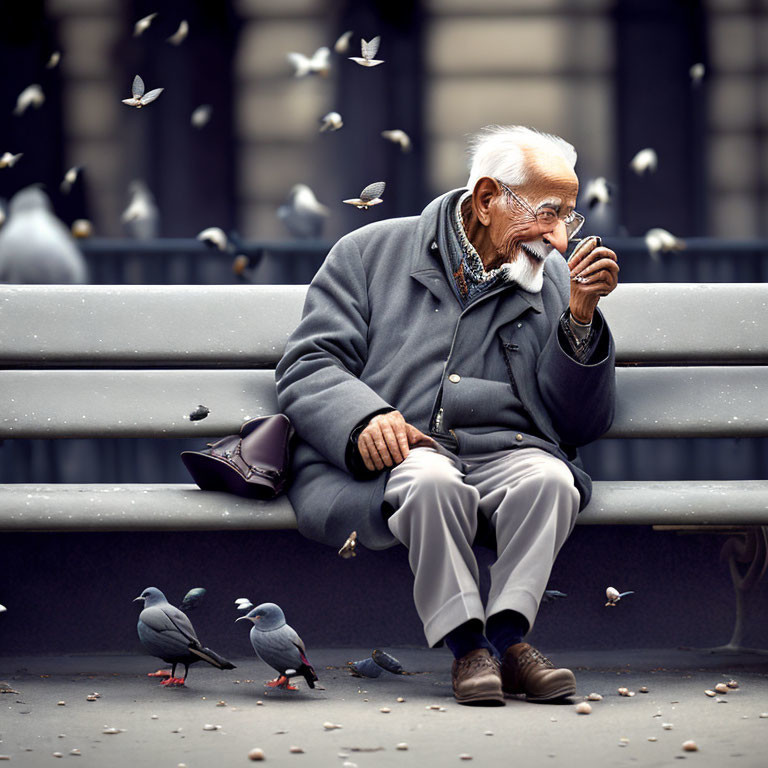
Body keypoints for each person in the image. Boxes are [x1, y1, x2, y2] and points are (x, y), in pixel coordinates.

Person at [276, 125, 619, 706]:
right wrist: (365, 418)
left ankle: (509, 643)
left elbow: (579, 424)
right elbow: (309, 364)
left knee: (551, 480)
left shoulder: (555, 278)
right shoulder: (369, 253)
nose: (560, 239)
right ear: (487, 200)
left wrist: (580, 322)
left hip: (508, 452)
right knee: (430, 480)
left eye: (569, 217)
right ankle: (469, 650)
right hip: (402, 457)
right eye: (546, 213)